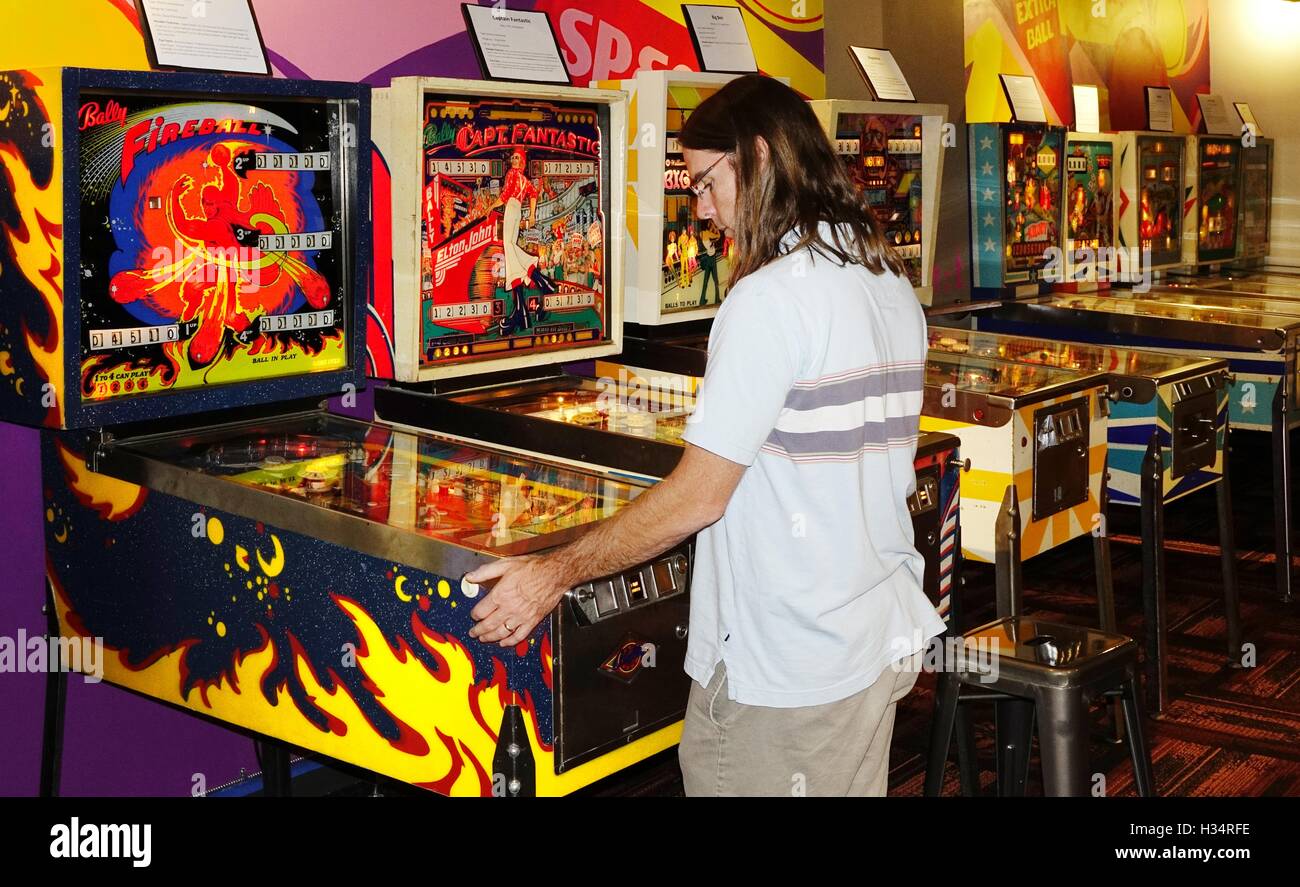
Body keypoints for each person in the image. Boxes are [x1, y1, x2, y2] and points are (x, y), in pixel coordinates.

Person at [464, 74, 943, 797]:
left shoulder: (770, 299)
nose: (704, 208)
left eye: (707, 182)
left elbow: (698, 498)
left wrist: (553, 571)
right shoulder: (886, 276)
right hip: (869, 637)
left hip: (787, 667)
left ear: (757, 156)